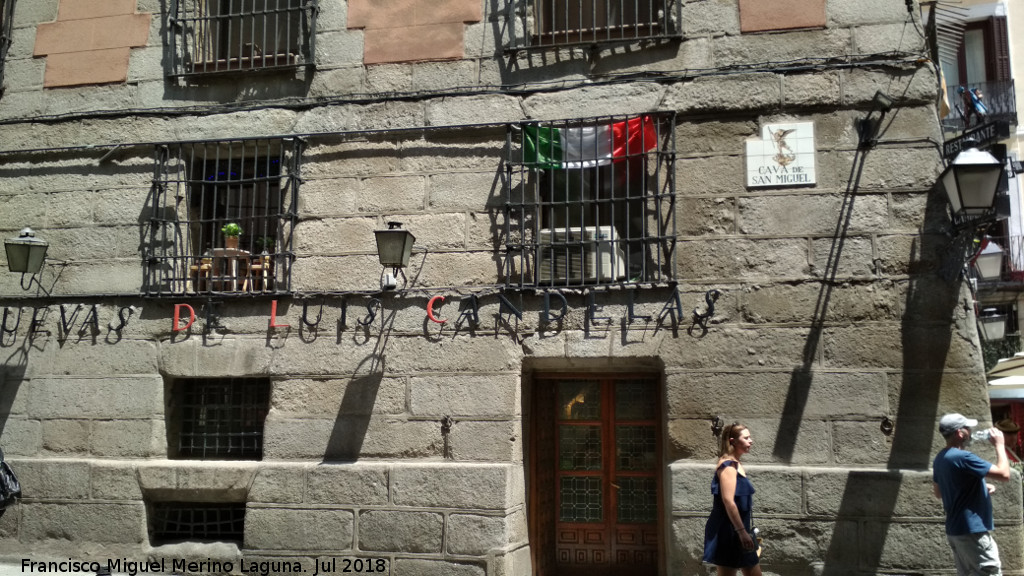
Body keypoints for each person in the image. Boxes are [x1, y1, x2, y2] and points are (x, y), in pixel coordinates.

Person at [932, 413, 1011, 576]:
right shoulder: (963, 457)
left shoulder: (940, 457)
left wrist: (980, 485)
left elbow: (939, 492)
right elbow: (1004, 474)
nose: (970, 430)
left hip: (955, 531)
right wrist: (1000, 445)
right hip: (972, 532)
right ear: (960, 433)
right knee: (988, 572)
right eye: (967, 428)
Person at [703, 423, 762, 576]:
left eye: (750, 437)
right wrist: (742, 532)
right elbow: (728, 501)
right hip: (729, 530)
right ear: (733, 441)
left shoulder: (736, 464)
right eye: (746, 438)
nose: (751, 441)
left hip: (738, 528)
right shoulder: (728, 466)